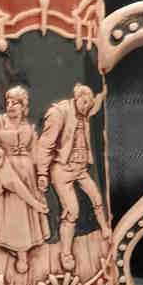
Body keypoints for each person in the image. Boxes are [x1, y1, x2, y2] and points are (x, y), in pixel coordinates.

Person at [0, 85, 50, 273]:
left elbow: (36, 152)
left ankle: (24, 250)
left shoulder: (28, 126)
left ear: (24, 107)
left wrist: (42, 174)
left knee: (26, 213)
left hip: (27, 174)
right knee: (14, 211)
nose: (11, 106)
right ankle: (20, 255)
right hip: (5, 171)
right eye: (8, 102)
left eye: (16, 103)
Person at [36, 83, 111, 272]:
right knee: (72, 212)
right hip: (62, 170)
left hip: (81, 168)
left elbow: (94, 106)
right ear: (77, 98)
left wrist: (103, 92)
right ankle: (66, 254)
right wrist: (42, 173)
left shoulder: (85, 109)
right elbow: (45, 145)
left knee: (97, 198)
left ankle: (105, 229)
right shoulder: (59, 113)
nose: (86, 108)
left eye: (89, 105)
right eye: (84, 103)